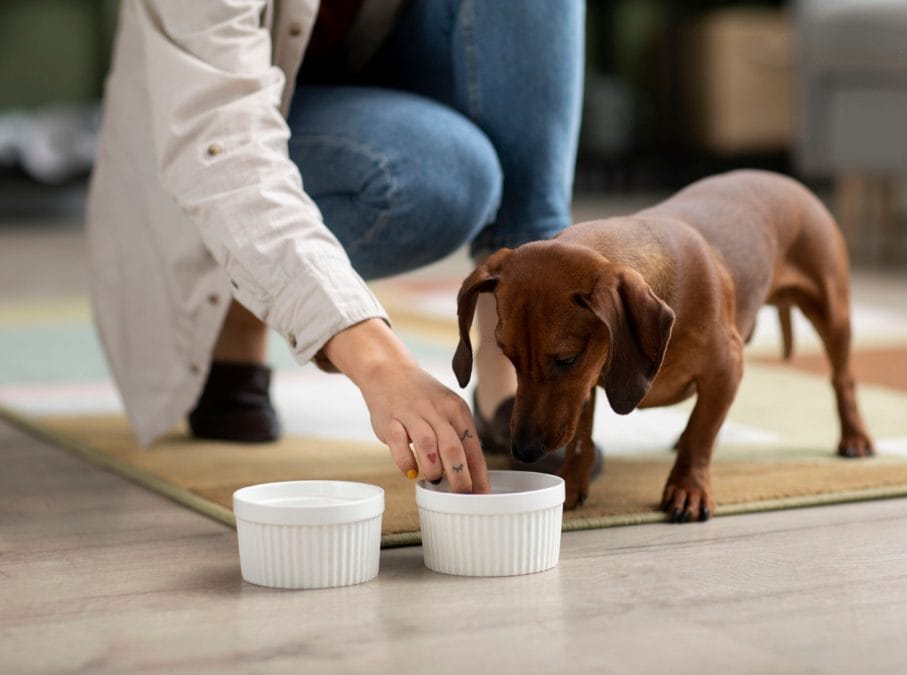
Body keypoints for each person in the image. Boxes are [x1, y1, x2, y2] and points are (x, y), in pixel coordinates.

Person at [85, 0, 584, 494]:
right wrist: (382, 365)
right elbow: (223, 149)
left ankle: (512, 368)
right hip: (219, 135)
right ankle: (235, 304)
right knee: (444, 180)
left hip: (380, 79)